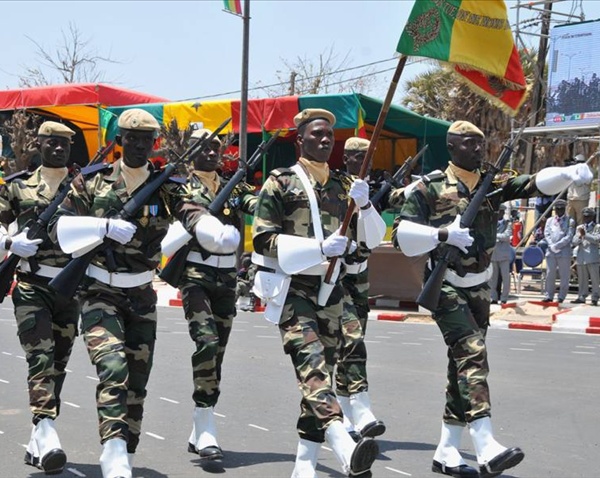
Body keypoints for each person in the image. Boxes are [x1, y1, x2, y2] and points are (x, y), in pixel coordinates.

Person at [394, 120, 592, 478]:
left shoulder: (491, 180)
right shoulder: (431, 185)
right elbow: (401, 234)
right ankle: (485, 444)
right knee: (472, 352)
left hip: (480, 286)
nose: (478, 150)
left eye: (481, 144)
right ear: (452, 146)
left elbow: (529, 183)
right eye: (469, 144)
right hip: (446, 285)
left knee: (462, 367)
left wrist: (567, 173)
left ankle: (447, 450)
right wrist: (442, 234)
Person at [49, 109, 187, 478]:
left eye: (146, 139)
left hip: (142, 294)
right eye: (132, 138)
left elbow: (192, 210)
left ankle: (125, 449)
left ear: (154, 143)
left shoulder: (167, 185)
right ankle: (111, 448)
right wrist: (102, 226)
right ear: (119, 141)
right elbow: (57, 228)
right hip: (98, 292)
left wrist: (205, 222)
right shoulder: (92, 183)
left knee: (137, 382)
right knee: (113, 367)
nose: (140, 145)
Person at [252, 109, 386, 478]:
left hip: (333, 290)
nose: (325, 140)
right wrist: (318, 248)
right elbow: (263, 239)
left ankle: (304, 465)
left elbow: (372, 239)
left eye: (330, 135)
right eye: (316, 135)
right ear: (301, 140)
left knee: (319, 377)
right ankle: (343, 444)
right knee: (311, 365)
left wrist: (367, 204)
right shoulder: (281, 182)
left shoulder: (344, 185)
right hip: (294, 289)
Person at [164, 127, 257, 461]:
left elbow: (256, 203)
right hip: (195, 274)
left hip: (227, 276)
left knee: (219, 349)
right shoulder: (180, 188)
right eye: (202, 148)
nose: (210, 153)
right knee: (206, 341)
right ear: (191, 152)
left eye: (215, 147)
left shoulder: (233, 186)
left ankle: (200, 418)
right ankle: (205, 422)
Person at [0, 122, 81, 475]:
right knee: (40, 358)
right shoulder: (17, 185)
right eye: (52, 142)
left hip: (69, 286)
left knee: (59, 364)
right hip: (31, 285)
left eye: (64, 143)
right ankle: (48, 432)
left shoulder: (83, 185)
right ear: (39, 143)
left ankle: (38, 436)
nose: (59, 148)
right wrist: (9, 243)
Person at [335, 137, 386, 442]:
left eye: (367, 157)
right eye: (356, 158)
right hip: (338, 274)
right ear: (347, 160)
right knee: (352, 337)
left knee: (350, 344)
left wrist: (367, 204)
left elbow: (376, 235)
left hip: (361, 276)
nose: (362, 163)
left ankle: (343, 413)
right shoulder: (336, 186)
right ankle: (362, 406)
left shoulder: (370, 190)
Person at [542, 199, 575, 303]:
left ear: (564, 209)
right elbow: (546, 233)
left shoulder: (570, 220)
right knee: (550, 274)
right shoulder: (550, 220)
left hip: (564, 251)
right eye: (557, 209)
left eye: (561, 209)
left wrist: (557, 245)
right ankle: (548, 296)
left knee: (564, 275)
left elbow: (569, 236)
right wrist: (551, 245)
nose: (559, 211)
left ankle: (561, 296)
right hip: (551, 251)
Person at [571, 207, 600, 305]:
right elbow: (574, 242)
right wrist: (580, 236)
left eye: (588, 216)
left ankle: (595, 297)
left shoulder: (597, 227)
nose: (586, 218)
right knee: (582, 279)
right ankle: (582, 296)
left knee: (595, 279)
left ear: (592, 217)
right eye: (584, 216)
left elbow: (596, 239)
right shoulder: (579, 227)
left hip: (592, 257)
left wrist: (585, 235)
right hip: (581, 257)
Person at [490, 204, 513, 304]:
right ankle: (493, 297)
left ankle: (504, 298)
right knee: (492, 278)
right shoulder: (491, 223)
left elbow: (507, 236)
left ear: (503, 213)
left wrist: (496, 237)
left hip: (504, 255)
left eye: (500, 212)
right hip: (493, 254)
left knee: (505, 278)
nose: (498, 213)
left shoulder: (507, 223)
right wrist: (499, 238)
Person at [567, 153, 590, 225]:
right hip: (571, 199)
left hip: (581, 199)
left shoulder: (587, 171)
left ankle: (579, 236)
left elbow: (579, 183)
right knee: (570, 221)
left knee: (580, 222)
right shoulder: (572, 170)